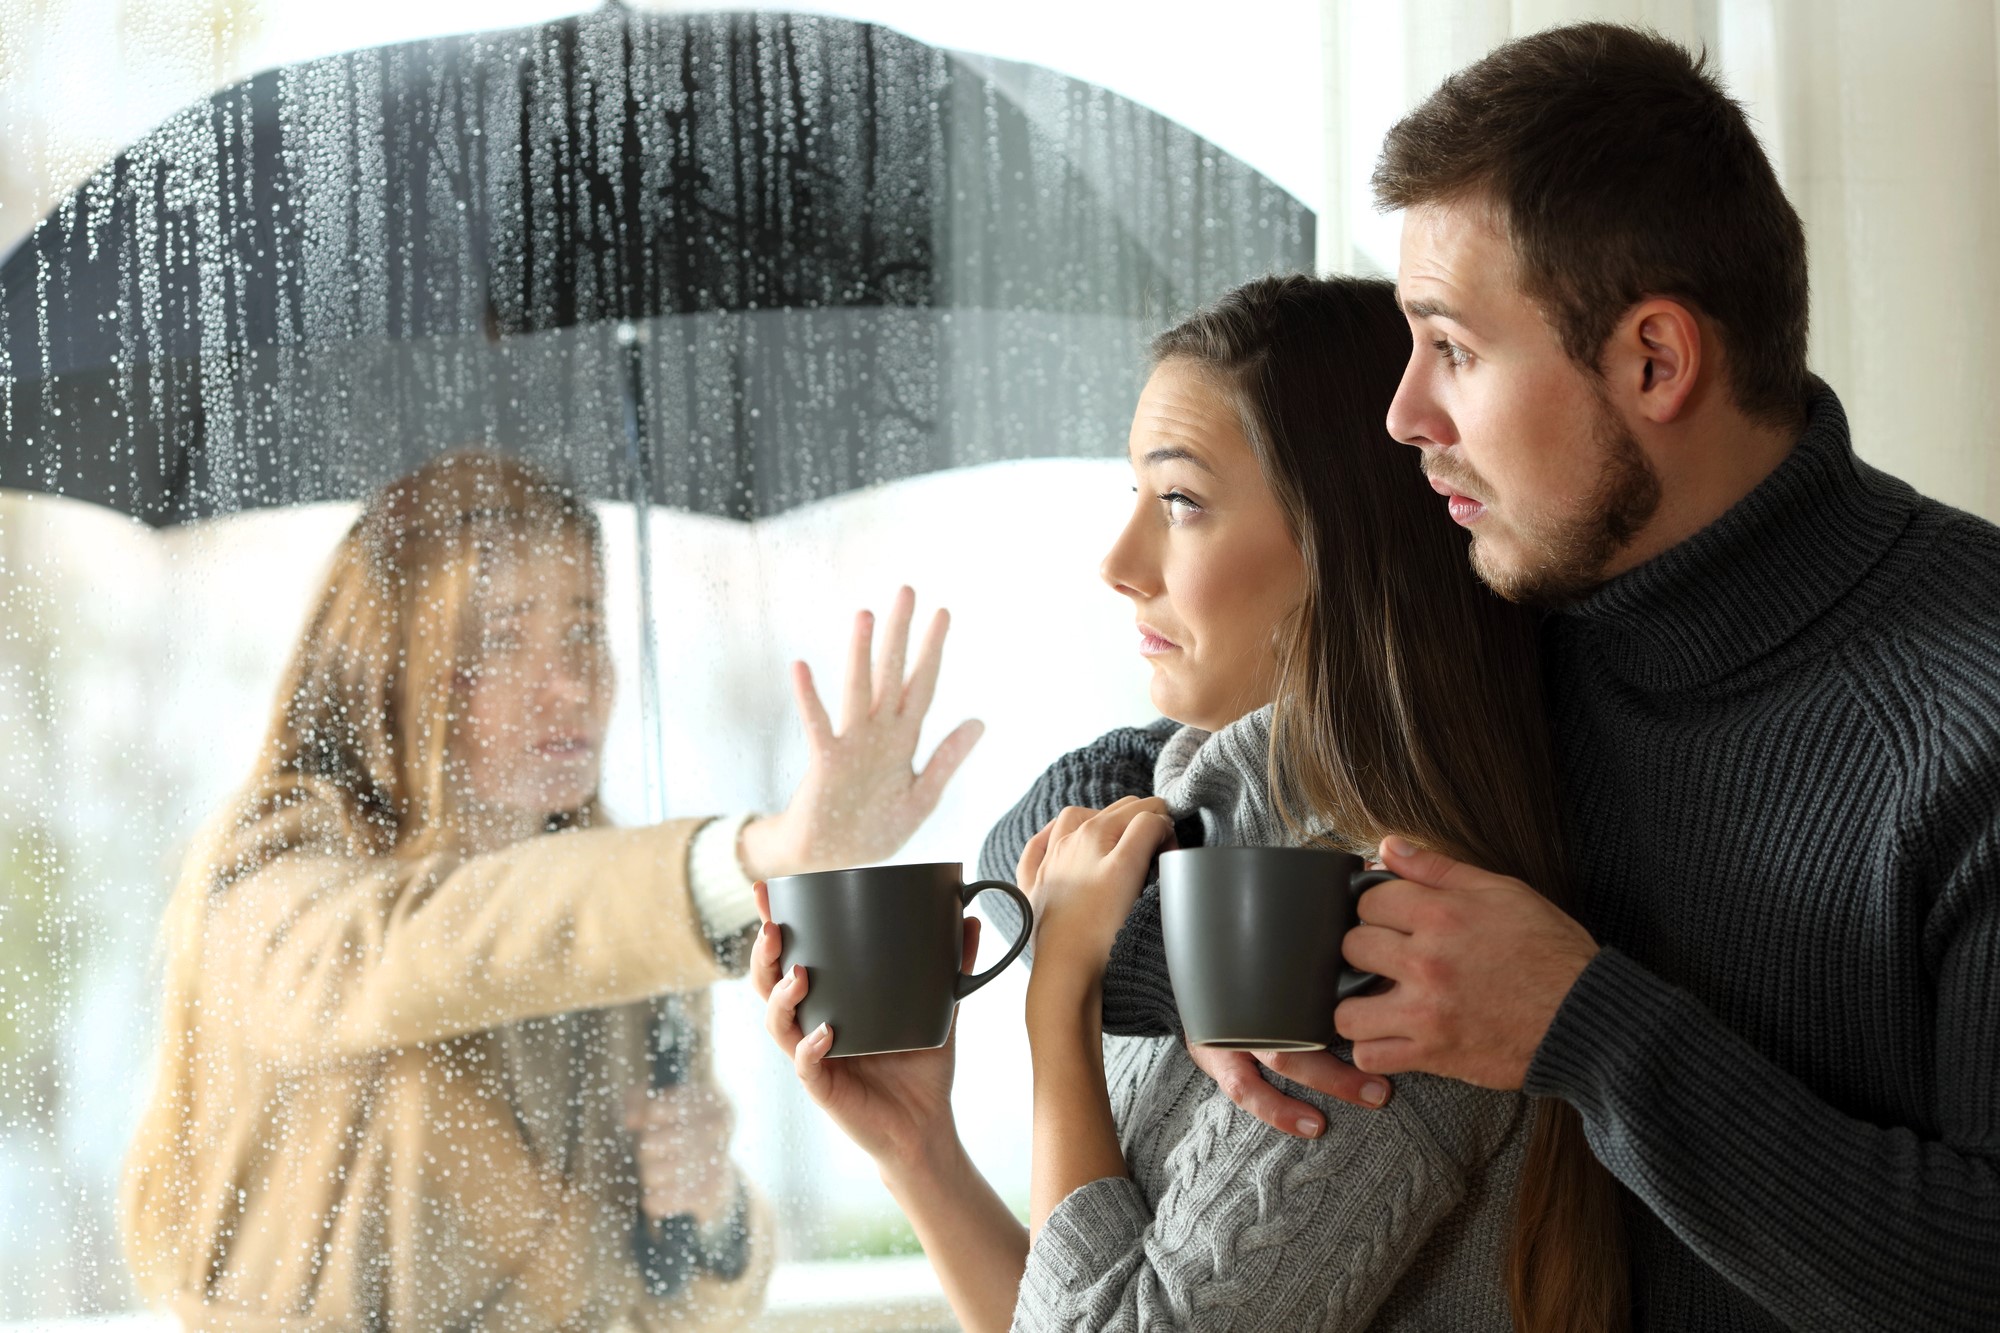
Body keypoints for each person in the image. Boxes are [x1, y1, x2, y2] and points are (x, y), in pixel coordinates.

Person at [1171, 24, 2000, 1331]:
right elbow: (1119, 793)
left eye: (1451, 347)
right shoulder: (1511, 617)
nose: (1405, 416)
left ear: (1655, 362)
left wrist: (1585, 1028)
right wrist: (1196, 945)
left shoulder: (1977, 709)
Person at [754, 275, 1629, 1331]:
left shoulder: (1396, 945)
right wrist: (916, 1148)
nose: (1119, 564)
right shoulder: (1186, 859)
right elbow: (1073, 1307)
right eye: (1133, 497)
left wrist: (1062, 997)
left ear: (1342, 544)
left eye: (1177, 501)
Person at [121, 452, 983, 1330]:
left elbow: (678, 1311)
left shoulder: (633, 915)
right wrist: (763, 852)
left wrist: (709, 1210)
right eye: (500, 640)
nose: (570, 685)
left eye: (580, 630)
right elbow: (422, 950)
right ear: (390, 669)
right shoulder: (278, 868)